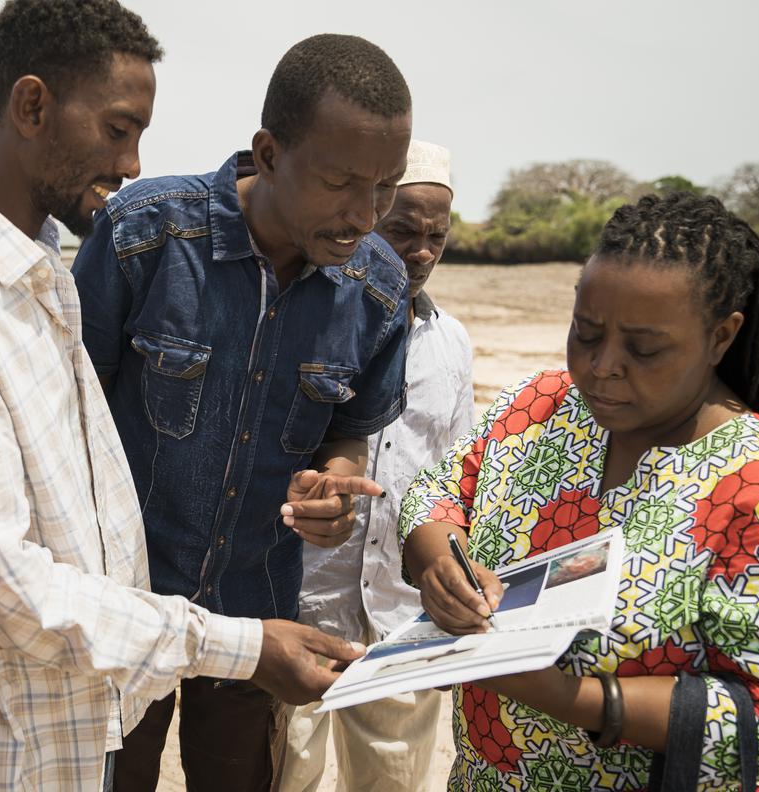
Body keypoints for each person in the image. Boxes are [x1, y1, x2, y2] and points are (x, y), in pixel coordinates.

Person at [0, 3, 360, 791]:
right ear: (32, 106)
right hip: (2, 761)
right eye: (118, 129)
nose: (133, 162)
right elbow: (3, 589)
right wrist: (242, 647)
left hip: (75, 737)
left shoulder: (38, 271)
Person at [400, 192, 759, 791]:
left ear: (721, 337)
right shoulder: (540, 407)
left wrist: (575, 699)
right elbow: (437, 496)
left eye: (644, 349)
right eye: (586, 333)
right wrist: (442, 567)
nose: (601, 367)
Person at [73, 33, 413, 792]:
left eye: (385, 187)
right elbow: (66, 416)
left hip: (259, 618)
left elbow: (349, 435)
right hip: (125, 612)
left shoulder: (379, 292)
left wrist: (334, 486)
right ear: (267, 151)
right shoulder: (146, 235)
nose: (364, 214)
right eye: (340, 182)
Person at [280, 140, 470, 792]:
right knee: (286, 773)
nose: (419, 252)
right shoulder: (303, 319)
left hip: (399, 616)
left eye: (434, 237)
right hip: (303, 604)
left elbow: (458, 477)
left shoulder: (452, 344)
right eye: (401, 231)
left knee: (390, 780)